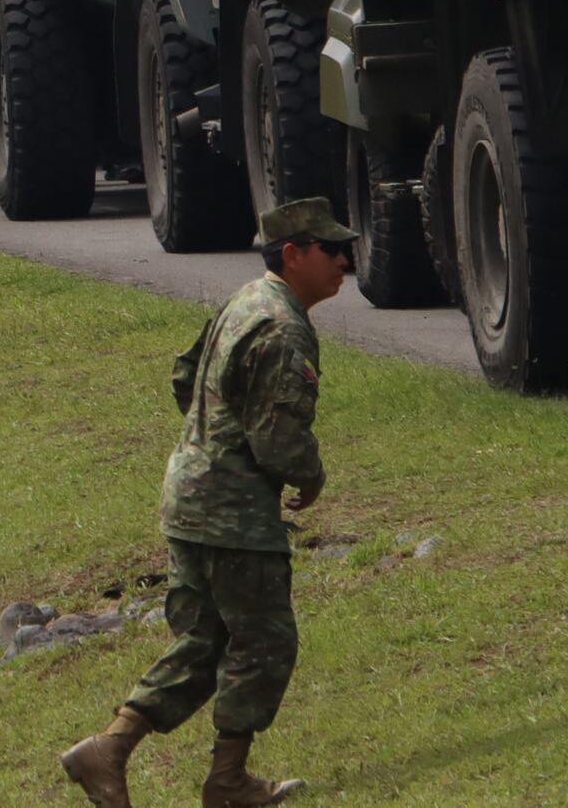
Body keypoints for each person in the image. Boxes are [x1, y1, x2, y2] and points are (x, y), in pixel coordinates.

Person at [60, 198, 353, 808]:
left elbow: (183, 375)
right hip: (233, 516)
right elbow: (277, 439)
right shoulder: (283, 325)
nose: (344, 260)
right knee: (264, 642)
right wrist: (311, 475)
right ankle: (227, 783)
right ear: (293, 254)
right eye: (331, 249)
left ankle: (108, 750)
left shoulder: (246, 300)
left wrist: (208, 441)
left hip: (187, 497)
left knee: (203, 642)